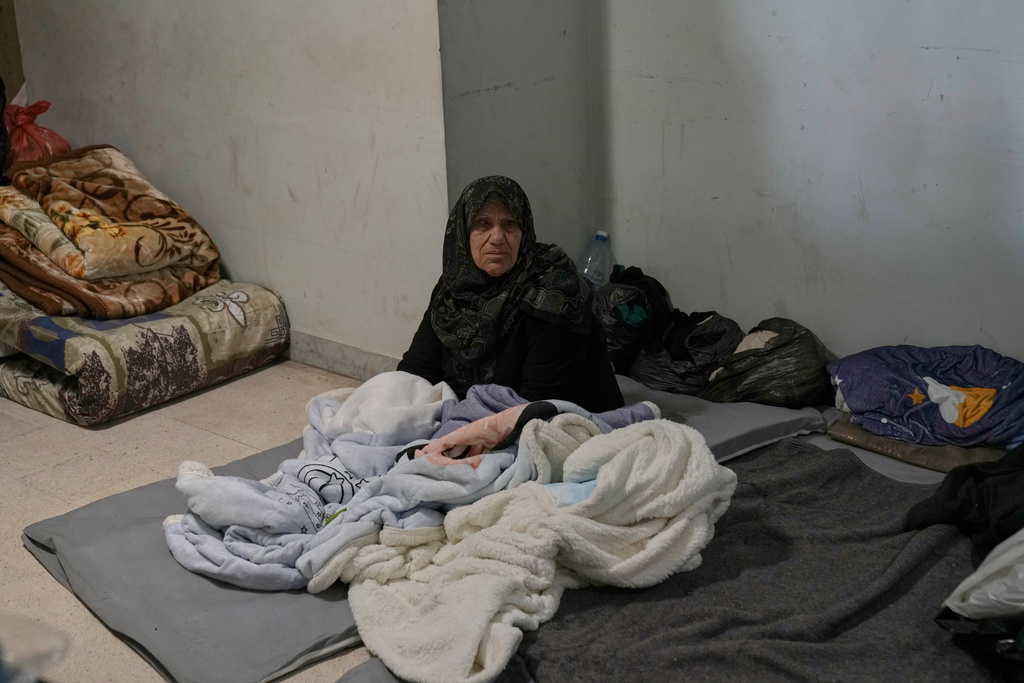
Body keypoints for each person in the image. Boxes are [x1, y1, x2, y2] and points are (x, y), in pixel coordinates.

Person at [397, 175, 625, 413]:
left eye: (509, 225)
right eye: (482, 224)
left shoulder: (554, 294)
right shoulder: (454, 288)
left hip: (555, 424)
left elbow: (541, 405)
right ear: (464, 232)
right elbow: (415, 376)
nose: (497, 238)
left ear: (523, 232)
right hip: (473, 420)